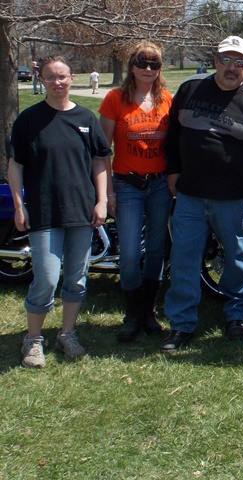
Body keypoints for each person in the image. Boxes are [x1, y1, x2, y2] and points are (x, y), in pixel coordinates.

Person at [162, 35, 243, 351]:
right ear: (215, 61)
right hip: (190, 195)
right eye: (226, 60)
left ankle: (237, 314)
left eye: (239, 62)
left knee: (239, 258)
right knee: (183, 259)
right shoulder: (190, 89)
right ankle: (181, 324)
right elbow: (172, 135)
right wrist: (173, 170)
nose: (231, 67)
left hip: (235, 199)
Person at [9, 56, 110, 368]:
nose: (57, 82)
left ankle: (67, 334)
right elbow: (16, 166)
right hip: (44, 211)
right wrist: (19, 205)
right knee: (47, 278)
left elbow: (100, 162)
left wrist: (102, 201)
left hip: (81, 211)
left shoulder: (86, 118)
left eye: (62, 76)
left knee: (77, 278)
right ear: (41, 79)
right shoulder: (28, 120)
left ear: (72, 77)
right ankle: (33, 340)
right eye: (51, 77)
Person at [98, 41, 173, 342]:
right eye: (142, 62)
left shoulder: (167, 99)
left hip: (159, 185)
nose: (148, 68)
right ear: (131, 66)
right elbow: (102, 151)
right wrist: (107, 194)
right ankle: (132, 313)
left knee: (156, 249)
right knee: (129, 253)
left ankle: (148, 310)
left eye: (154, 64)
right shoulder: (115, 99)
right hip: (127, 185)